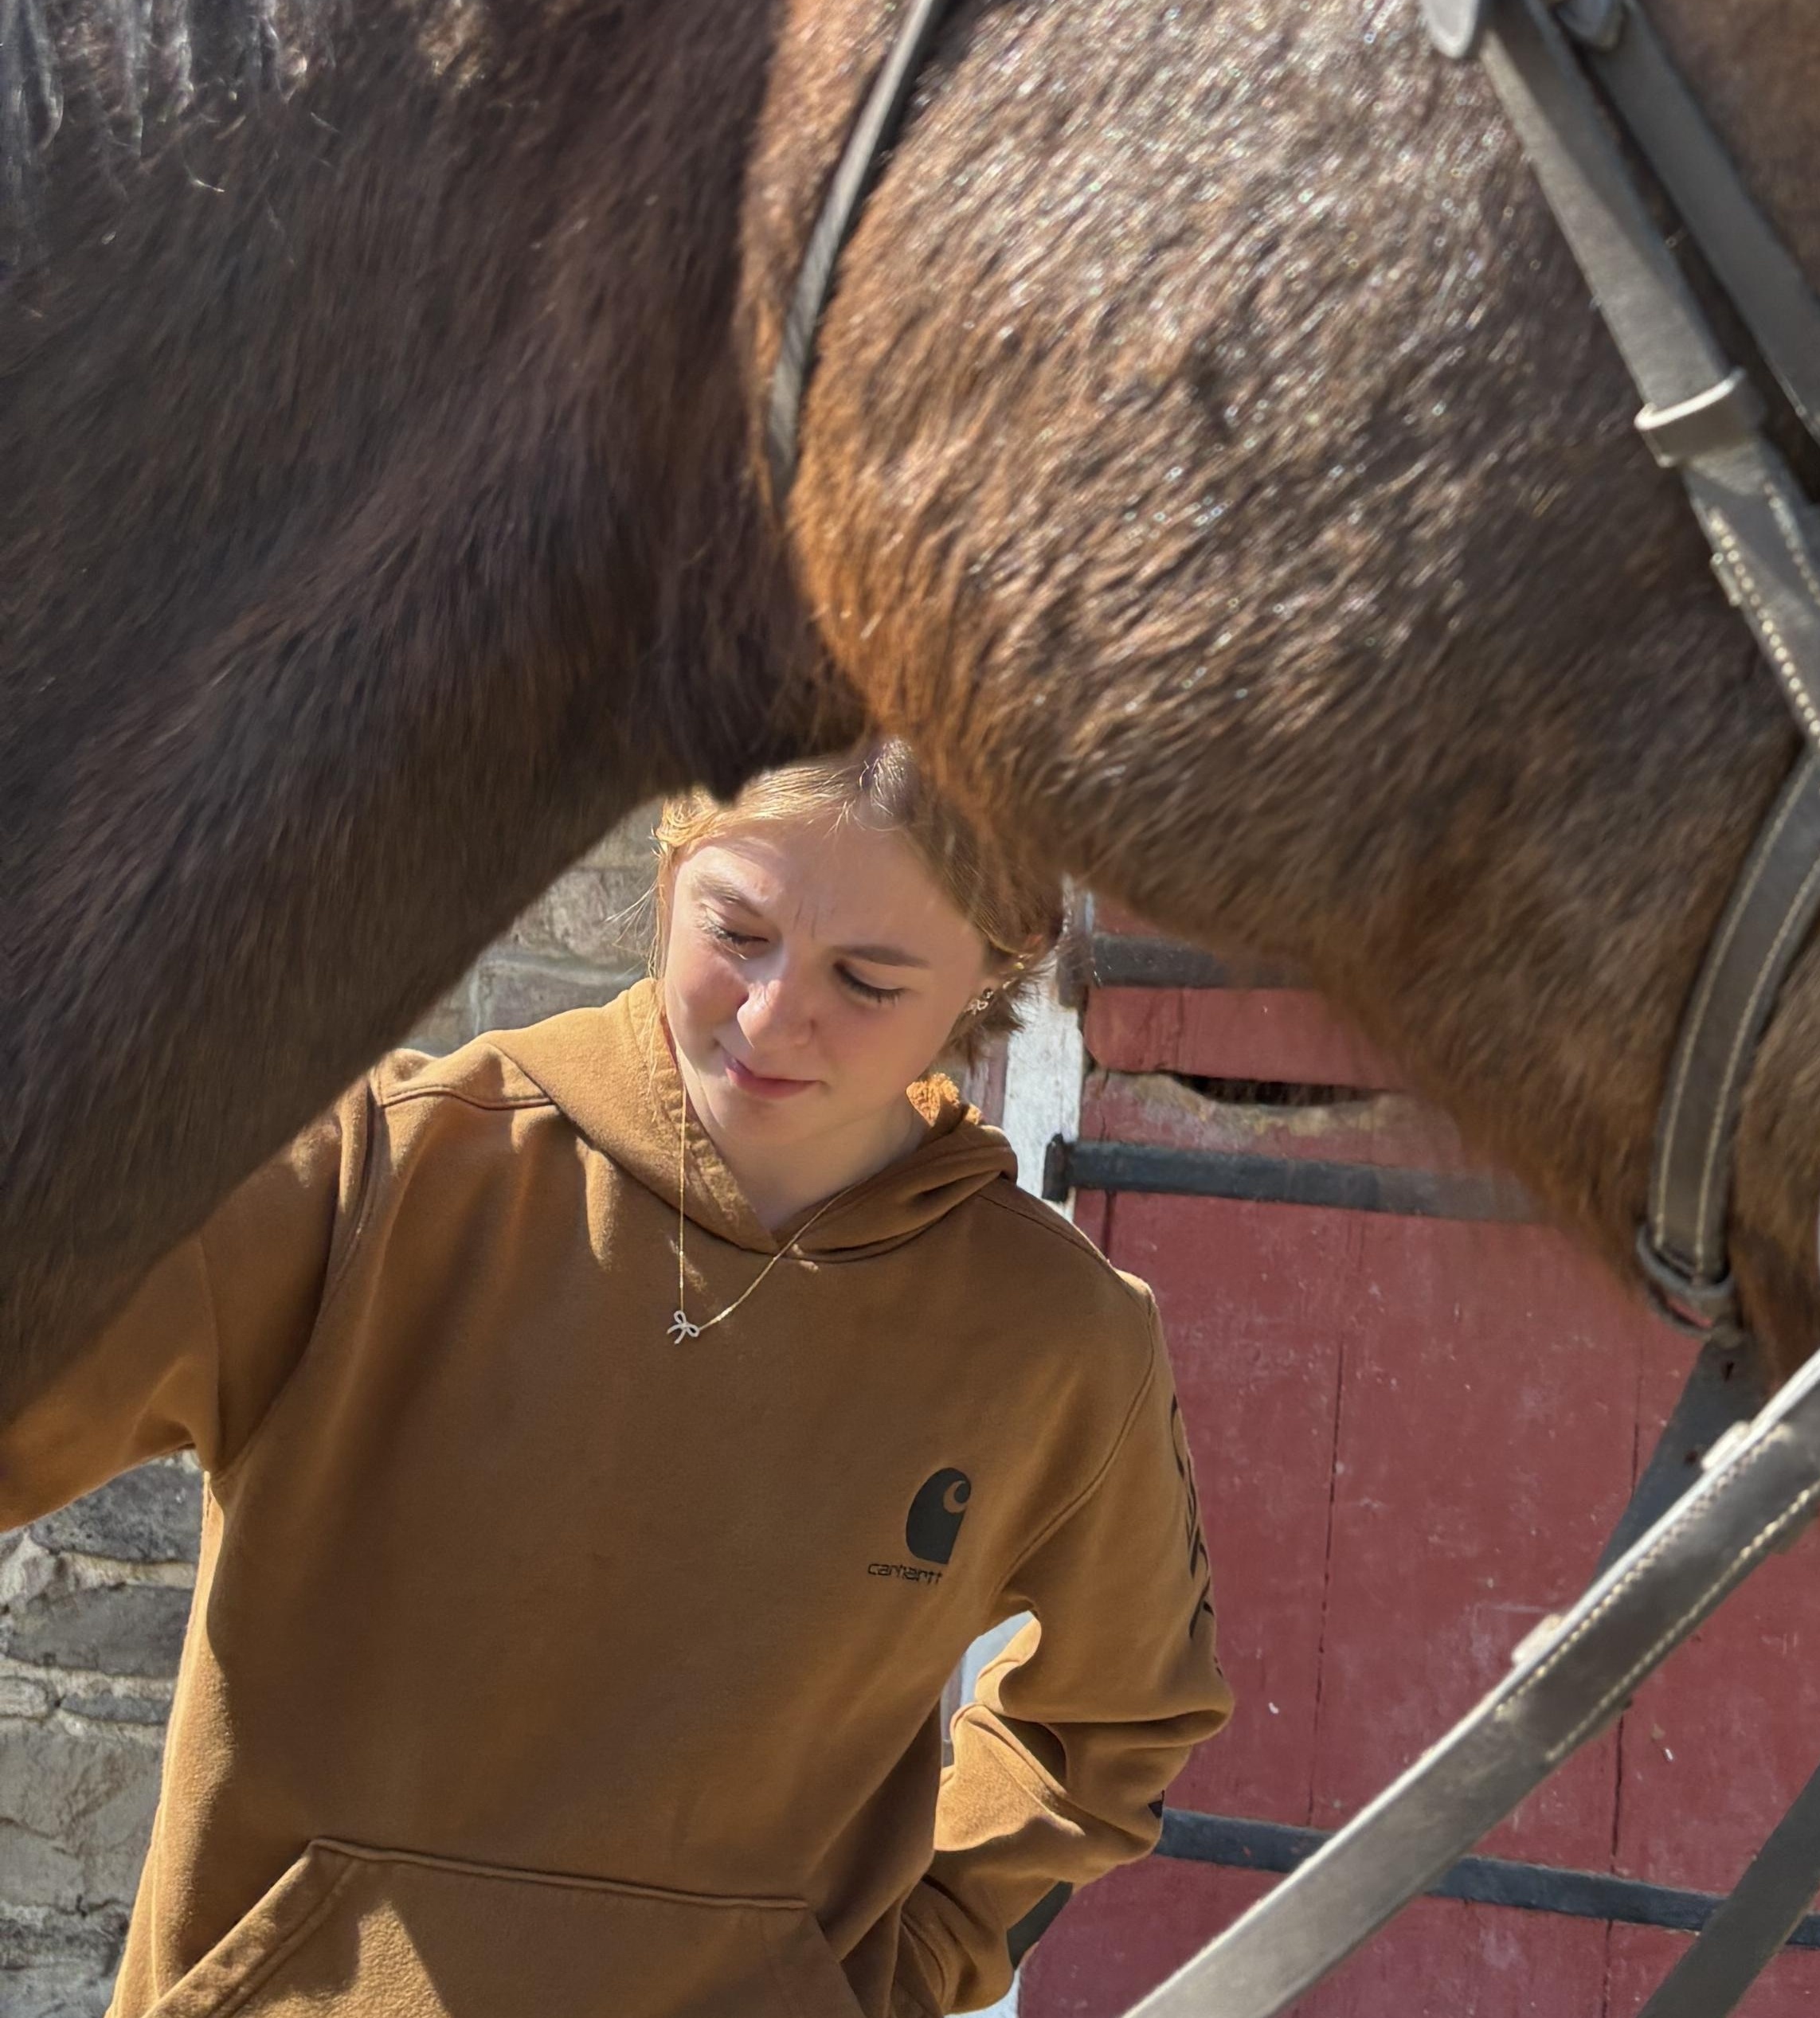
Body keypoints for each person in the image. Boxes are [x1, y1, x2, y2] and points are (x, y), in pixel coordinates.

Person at [0, 740, 1230, 2016]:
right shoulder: (368, 1176)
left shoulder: (1061, 1337)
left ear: (1000, 963)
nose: (768, 1016)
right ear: (670, 864)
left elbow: (1113, 1726)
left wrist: (887, 1976)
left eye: (865, 980)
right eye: (737, 931)